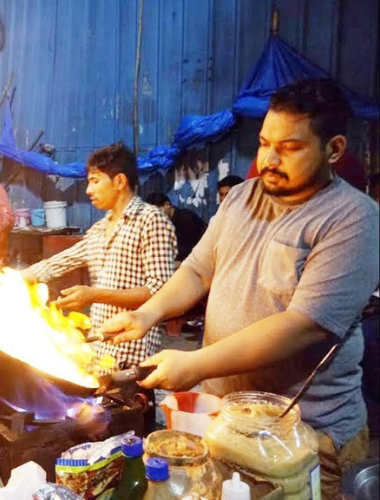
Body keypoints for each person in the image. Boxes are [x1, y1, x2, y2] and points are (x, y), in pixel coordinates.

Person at [99, 79, 379, 499]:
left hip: (302, 435)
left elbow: (303, 326)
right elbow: (196, 270)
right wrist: (147, 313)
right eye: (265, 143)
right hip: (225, 421)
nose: (268, 158)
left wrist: (196, 365)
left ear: (334, 149)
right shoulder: (241, 198)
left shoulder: (353, 219)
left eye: (290, 148)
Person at [21, 142, 177, 372]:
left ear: (120, 181)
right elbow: (55, 265)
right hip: (100, 354)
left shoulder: (151, 221)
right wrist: (6, 278)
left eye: (95, 181)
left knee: (131, 408)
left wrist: (94, 295)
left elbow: (160, 292)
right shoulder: (98, 230)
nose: (88, 190)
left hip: (134, 355)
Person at [145, 193, 206, 261]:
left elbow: (193, 248)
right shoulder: (161, 224)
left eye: (158, 211)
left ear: (167, 204)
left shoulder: (186, 218)